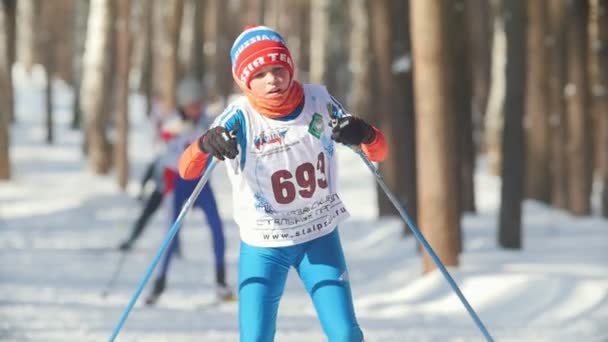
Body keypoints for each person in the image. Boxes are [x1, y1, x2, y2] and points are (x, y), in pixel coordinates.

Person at [178, 26, 387, 342]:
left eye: (278, 68)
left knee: (345, 334)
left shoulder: (319, 99)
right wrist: (207, 144)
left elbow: (379, 151)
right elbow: (187, 170)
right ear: (244, 80)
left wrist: (365, 134)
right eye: (259, 74)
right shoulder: (238, 117)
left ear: (290, 67)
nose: (272, 79)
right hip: (265, 243)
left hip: (318, 234)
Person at [144, 78, 232, 305]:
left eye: (198, 104)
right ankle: (159, 283)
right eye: (191, 105)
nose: (196, 109)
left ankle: (221, 281)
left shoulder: (207, 122)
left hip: (201, 184)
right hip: (178, 184)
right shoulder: (173, 123)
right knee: (171, 235)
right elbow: (163, 153)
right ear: (183, 105)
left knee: (216, 228)